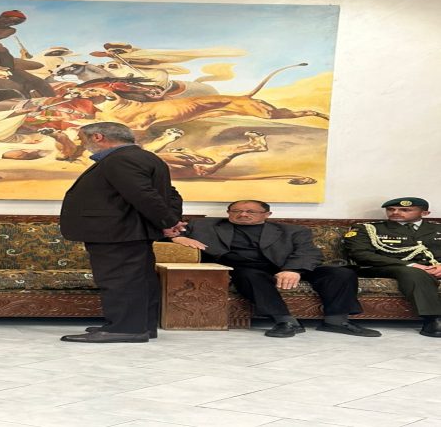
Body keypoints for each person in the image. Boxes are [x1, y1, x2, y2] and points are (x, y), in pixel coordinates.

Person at [170, 200, 381, 338]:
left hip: (285, 266)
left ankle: (337, 320)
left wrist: (293, 269)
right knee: (249, 275)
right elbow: (164, 236)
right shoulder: (203, 226)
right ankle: (285, 321)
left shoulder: (293, 231)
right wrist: (178, 239)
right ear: (228, 213)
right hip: (243, 268)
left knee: (340, 273)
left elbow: (309, 253)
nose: (243, 214)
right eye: (237, 211)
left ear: (267, 214)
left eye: (250, 211)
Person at [59, 122, 185, 343]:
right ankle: (142, 326)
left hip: (116, 232)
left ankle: (125, 329)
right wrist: (169, 220)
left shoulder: (121, 159)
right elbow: (170, 194)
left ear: (98, 137)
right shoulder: (146, 157)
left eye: (82, 138)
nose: (81, 142)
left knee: (119, 280)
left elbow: (143, 194)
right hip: (128, 231)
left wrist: (167, 222)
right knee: (140, 279)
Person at [343, 197, 441, 337]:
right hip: (385, 267)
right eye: (391, 209)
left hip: (433, 266)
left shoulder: (437, 228)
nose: (395, 212)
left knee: (415, 272)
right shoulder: (368, 229)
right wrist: (411, 264)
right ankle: (433, 319)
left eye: (405, 210)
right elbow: (360, 254)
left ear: (424, 213)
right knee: (413, 272)